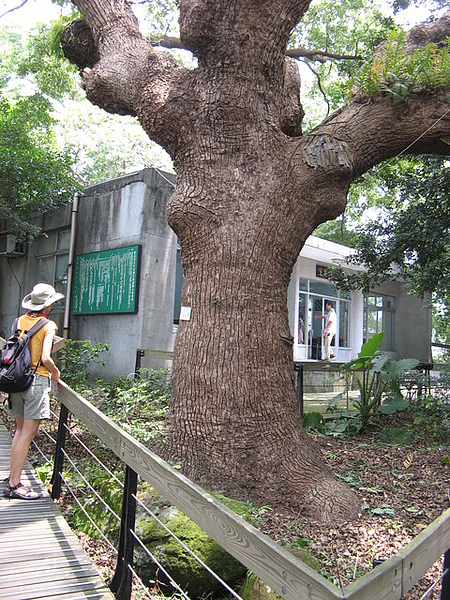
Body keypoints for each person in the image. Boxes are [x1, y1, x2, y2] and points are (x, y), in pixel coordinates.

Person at [4, 283, 64, 500]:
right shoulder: (48, 325)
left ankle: (12, 476)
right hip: (36, 381)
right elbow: (46, 358)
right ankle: (14, 484)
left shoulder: (19, 321)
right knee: (27, 434)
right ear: (47, 306)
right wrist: (55, 372)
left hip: (16, 380)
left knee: (20, 432)